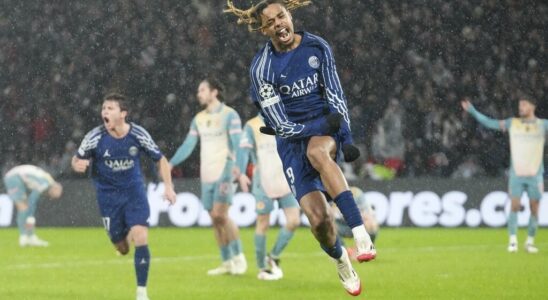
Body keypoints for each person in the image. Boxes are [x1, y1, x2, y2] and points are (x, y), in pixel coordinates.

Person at [225, 0, 376, 296]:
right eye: (270, 22)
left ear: (290, 16)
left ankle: (360, 233)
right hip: (292, 143)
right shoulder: (261, 68)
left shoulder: (317, 47)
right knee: (319, 222)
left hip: (322, 128)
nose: (278, 23)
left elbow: (335, 95)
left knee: (317, 152)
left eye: (281, 16)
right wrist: (323, 126)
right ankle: (342, 259)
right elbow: (282, 127)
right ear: (263, 29)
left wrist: (344, 137)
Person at [72, 93, 176, 300]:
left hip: (134, 193)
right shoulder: (95, 137)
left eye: (110, 108)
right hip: (108, 197)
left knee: (141, 236)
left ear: (123, 114)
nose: (105, 112)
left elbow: (161, 159)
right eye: (103, 109)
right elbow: (76, 159)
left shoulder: (137, 134)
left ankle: (141, 292)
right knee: (122, 247)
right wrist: (77, 164)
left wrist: (169, 187)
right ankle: (123, 235)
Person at [169, 78, 247, 276]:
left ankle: (239, 257)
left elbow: (239, 143)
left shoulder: (230, 115)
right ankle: (226, 261)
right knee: (214, 218)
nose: (199, 94)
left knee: (221, 214)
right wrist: (171, 162)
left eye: (202, 90)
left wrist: (239, 168)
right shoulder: (199, 119)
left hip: (225, 170)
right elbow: (188, 145)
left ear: (214, 92)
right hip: (207, 174)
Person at [462, 97, 547, 253]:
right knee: (514, 206)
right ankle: (513, 241)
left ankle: (529, 242)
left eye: (524, 104)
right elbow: (490, 123)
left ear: (532, 106)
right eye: (520, 104)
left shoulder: (543, 125)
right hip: (517, 174)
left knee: (534, 209)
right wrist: (473, 111)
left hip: (535, 174)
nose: (520, 107)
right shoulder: (512, 123)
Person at [236, 114, 301, 280]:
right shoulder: (252, 125)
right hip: (263, 181)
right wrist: (242, 172)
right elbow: (243, 150)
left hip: (286, 178)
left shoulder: (285, 119)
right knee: (263, 223)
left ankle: (273, 256)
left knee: (294, 221)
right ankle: (262, 267)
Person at [3, 165, 63, 247]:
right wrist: (30, 216)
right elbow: (32, 200)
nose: (51, 197)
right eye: (53, 196)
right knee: (23, 208)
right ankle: (24, 237)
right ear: (55, 188)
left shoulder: (49, 182)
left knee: (25, 208)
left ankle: (30, 237)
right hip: (13, 178)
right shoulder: (45, 183)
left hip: (19, 178)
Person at [333, 186, 379, 260]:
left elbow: (368, 215)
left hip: (357, 225)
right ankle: (340, 252)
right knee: (329, 225)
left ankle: (366, 249)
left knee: (371, 223)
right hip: (343, 226)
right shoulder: (332, 195)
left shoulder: (357, 194)